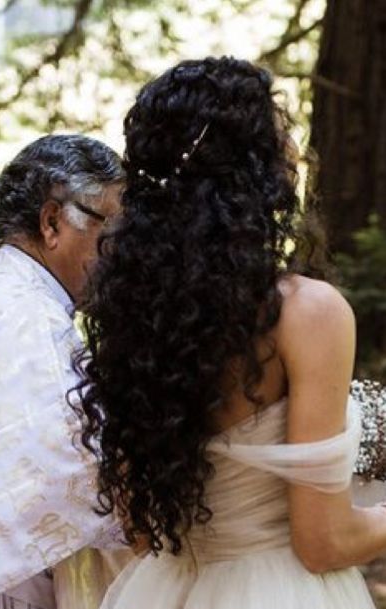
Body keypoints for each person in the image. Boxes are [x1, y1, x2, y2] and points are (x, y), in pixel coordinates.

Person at [75, 57, 386, 609]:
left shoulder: (134, 320)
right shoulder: (306, 313)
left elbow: (143, 529)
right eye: (282, 137)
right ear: (258, 171)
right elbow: (324, 542)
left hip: (167, 587)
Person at [0, 134, 130, 609]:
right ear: (52, 221)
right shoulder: (30, 320)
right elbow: (57, 468)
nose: (121, 252)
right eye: (114, 230)